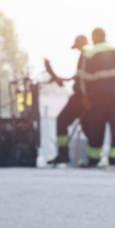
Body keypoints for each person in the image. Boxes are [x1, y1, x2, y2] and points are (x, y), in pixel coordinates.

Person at [80, 28, 115, 167]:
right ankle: (114, 160)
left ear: (94, 37)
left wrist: (86, 96)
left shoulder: (89, 53)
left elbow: (85, 78)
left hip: (98, 97)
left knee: (96, 128)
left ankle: (94, 159)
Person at [45, 35, 90, 165]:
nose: (77, 49)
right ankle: (93, 158)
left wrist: (86, 96)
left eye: (78, 46)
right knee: (88, 127)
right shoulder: (86, 56)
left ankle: (63, 153)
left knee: (62, 120)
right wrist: (64, 79)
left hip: (81, 97)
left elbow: (84, 79)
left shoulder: (86, 55)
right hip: (84, 96)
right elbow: (79, 77)